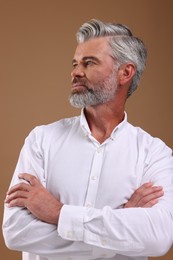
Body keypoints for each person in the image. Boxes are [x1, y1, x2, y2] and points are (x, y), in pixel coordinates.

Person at [2, 19, 173, 260]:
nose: (75, 72)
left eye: (89, 63)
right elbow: (16, 232)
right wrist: (119, 229)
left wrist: (59, 213)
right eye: (75, 64)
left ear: (125, 72)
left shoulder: (155, 153)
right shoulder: (41, 140)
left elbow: (158, 238)